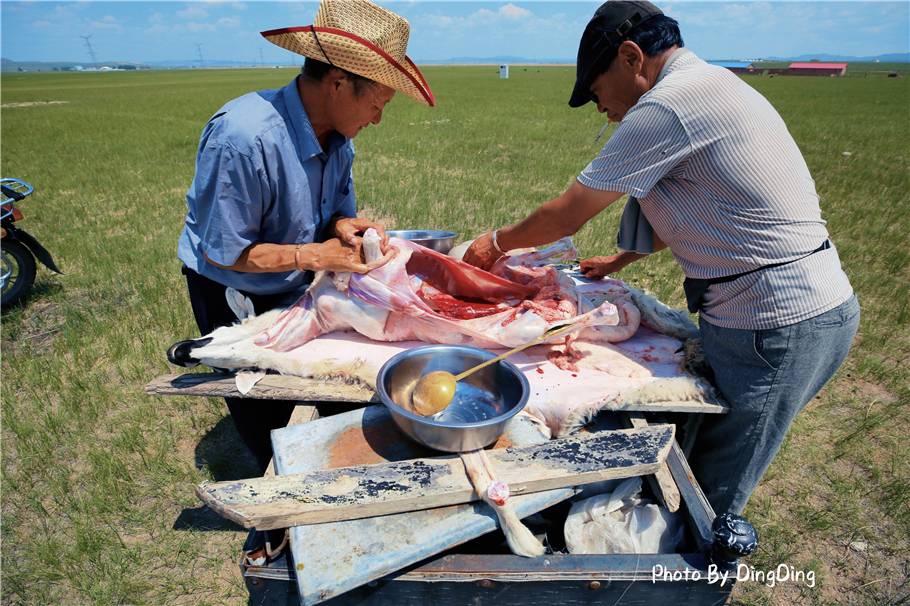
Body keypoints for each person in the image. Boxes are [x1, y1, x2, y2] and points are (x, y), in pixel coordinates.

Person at [463, 0, 859, 516]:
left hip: (776, 324)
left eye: (598, 92)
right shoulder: (711, 85)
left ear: (631, 58)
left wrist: (496, 243)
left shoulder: (668, 105)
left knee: (714, 493)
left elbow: (567, 213)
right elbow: (714, 202)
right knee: (708, 457)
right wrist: (621, 261)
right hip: (794, 314)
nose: (602, 108)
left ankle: (696, 587)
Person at [177, 0, 435, 480]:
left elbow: (336, 208)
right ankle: (279, 498)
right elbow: (225, 249)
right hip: (235, 289)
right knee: (263, 409)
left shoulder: (339, 135)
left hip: (297, 281)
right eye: (376, 103)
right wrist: (312, 254)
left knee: (323, 389)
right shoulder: (243, 137)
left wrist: (342, 226)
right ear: (339, 84)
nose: (378, 118)